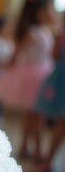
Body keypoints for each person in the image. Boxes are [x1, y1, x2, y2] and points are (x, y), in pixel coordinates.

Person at [0, 0, 55, 162]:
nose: (53, 13)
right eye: (50, 10)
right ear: (39, 12)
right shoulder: (33, 32)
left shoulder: (46, 30)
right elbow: (16, 55)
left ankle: (26, 148)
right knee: (36, 117)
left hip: (44, 74)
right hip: (34, 78)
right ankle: (35, 150)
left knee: (34, 117)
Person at [35, 12, 65, 172]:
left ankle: (48, 161)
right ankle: (48, 161)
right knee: (61, 122)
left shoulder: (61, 35)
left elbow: (54, 56)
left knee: (61, 123)